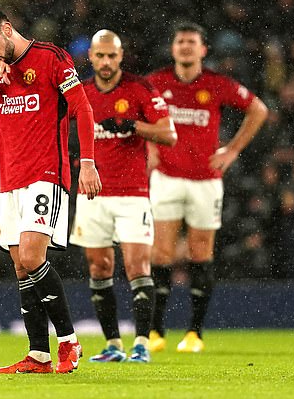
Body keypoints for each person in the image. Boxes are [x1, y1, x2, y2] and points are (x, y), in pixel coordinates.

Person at [0, 7, 102, 374]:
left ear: (7, 29)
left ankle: (68, 341)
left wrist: (87, 162)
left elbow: (82, 108)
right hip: (10, 181)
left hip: (45, 174)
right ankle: (38, 355)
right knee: (21, 267)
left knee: (33, 258)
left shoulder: (50, 58)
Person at [146, 22, 268, 353]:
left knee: (201, 253)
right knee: (161, 254)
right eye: (180, 41)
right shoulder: (156, 83)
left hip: (206, 181)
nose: (185, 47)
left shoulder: (216, 84)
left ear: (203, 50)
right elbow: (131, 112)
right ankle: (156, 332)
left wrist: (233, 149)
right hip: (167, 178)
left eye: (192, 42)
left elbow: (258, 109)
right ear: (173, 49)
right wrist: (150, 146)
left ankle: (194, 334)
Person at [69, 30, 176, 364]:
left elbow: (169, 134)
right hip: (93, 195)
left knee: (137, 265)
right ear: (90, 56)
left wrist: (133, 126)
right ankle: (113, 344)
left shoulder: (139, 88)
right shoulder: (80, 92)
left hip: (133, 194)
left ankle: (141, 343)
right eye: (99, 56)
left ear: (121, 56)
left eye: (111, 56)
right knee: (99, 266)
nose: (105, 62)